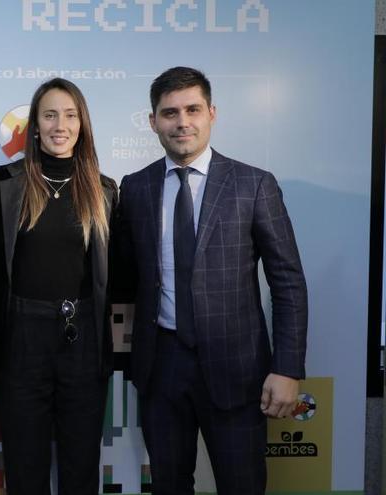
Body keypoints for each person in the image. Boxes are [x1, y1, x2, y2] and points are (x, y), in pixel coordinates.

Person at [115, 66, 308, 494]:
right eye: (169, 113)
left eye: (192, 109)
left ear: (212, 114)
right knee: (168, 484)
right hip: (160, 366)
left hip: (237, 371)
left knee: (242, 485)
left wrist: (288, 367)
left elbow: (288, 281)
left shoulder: (253, 184)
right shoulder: (136, 188)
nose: (182, 121)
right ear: (153, 122)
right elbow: (125, 275)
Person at [0, 78, 116, 494]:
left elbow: (122, 273)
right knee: (25, 467)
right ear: (34, 126)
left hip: (83, 340)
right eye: (50, 115)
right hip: (21, 341)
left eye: (70, 115)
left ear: (82, 124)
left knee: (80, 467)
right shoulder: (3, 183)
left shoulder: (105, 190)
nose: (61, 125)